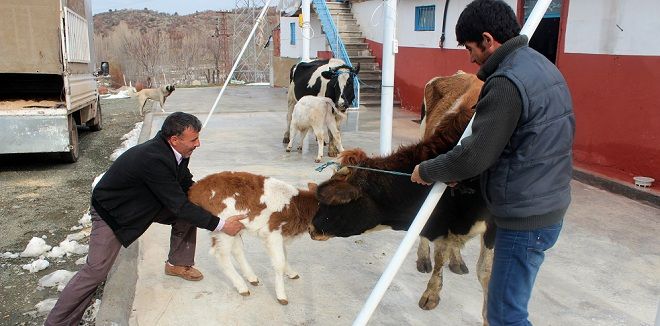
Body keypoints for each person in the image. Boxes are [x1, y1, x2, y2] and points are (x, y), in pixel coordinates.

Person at [411, 0, 575, 325]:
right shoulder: (542, 67)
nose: (469, 58)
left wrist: (427, 170)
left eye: (470, 48)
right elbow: (525, 143)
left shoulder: (506, 82)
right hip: (549, 204)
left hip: (524, 217)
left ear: (488, 40)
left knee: (504, 316)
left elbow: (473, 155)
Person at [46, 112, 246, 326]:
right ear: (174, 139)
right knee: (95, 271)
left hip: (144, 203)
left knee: (192, 210)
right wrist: (222, 226)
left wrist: (214, 206)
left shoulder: (177, 152)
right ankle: (57, 322)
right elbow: (178, 205)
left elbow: (186, 184)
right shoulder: (154, 158)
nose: (198, 143)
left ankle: (177, 264)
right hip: (114, 212)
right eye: (194, 139)